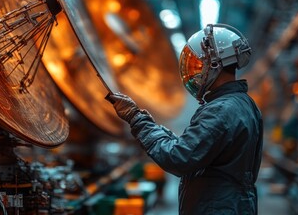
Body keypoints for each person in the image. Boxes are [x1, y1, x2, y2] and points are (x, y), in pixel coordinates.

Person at [106, 23, 263, 214]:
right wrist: (152, 125)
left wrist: (135, 118)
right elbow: (192, 148)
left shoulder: (221, 110)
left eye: (198, 65)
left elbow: (179, 157)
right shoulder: (244, 103)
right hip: (233, 205)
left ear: (214, 64)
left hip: (216, 209)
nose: (195, 73)